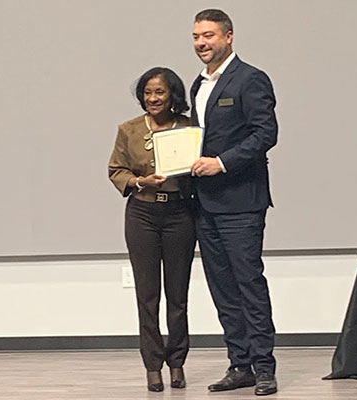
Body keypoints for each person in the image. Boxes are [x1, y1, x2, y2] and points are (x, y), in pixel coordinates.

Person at [190, 9, 278, 396]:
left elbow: (265, 133)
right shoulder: (199, 84)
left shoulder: (250, 78)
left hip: (241, 202)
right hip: (204, 203)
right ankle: (238, 364)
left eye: (208, 35)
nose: (201, 43)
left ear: (228, 37)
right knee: (222, 287)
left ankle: (264, 368)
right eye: (195, 37)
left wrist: (222, 163)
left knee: (248, 283)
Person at [108, 67, 196, 393]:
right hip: (142, 213)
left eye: (159, 92)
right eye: (147, 93)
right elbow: (116, 169)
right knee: (148, 296)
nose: (153, 98)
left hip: (179, 213)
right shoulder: (128, 130)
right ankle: (153, 366)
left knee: (178, 294)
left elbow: (200, 166)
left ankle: (177, 362)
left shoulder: (189, 127)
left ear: (173, 95)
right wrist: (137, 181)